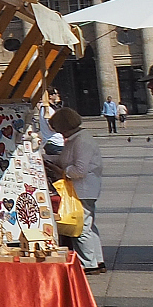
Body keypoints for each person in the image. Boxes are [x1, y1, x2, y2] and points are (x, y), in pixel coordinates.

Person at [49, 108, 105, 272]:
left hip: (83, 189)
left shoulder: (81, 141)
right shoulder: (76, 139)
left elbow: (80, 170)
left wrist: (62, 172)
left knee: (81, 227)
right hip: (83, 188)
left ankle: (88, 263)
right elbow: (65, 159)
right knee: (89, 225)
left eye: (60, 130)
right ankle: (98, 260)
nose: (61, 134)